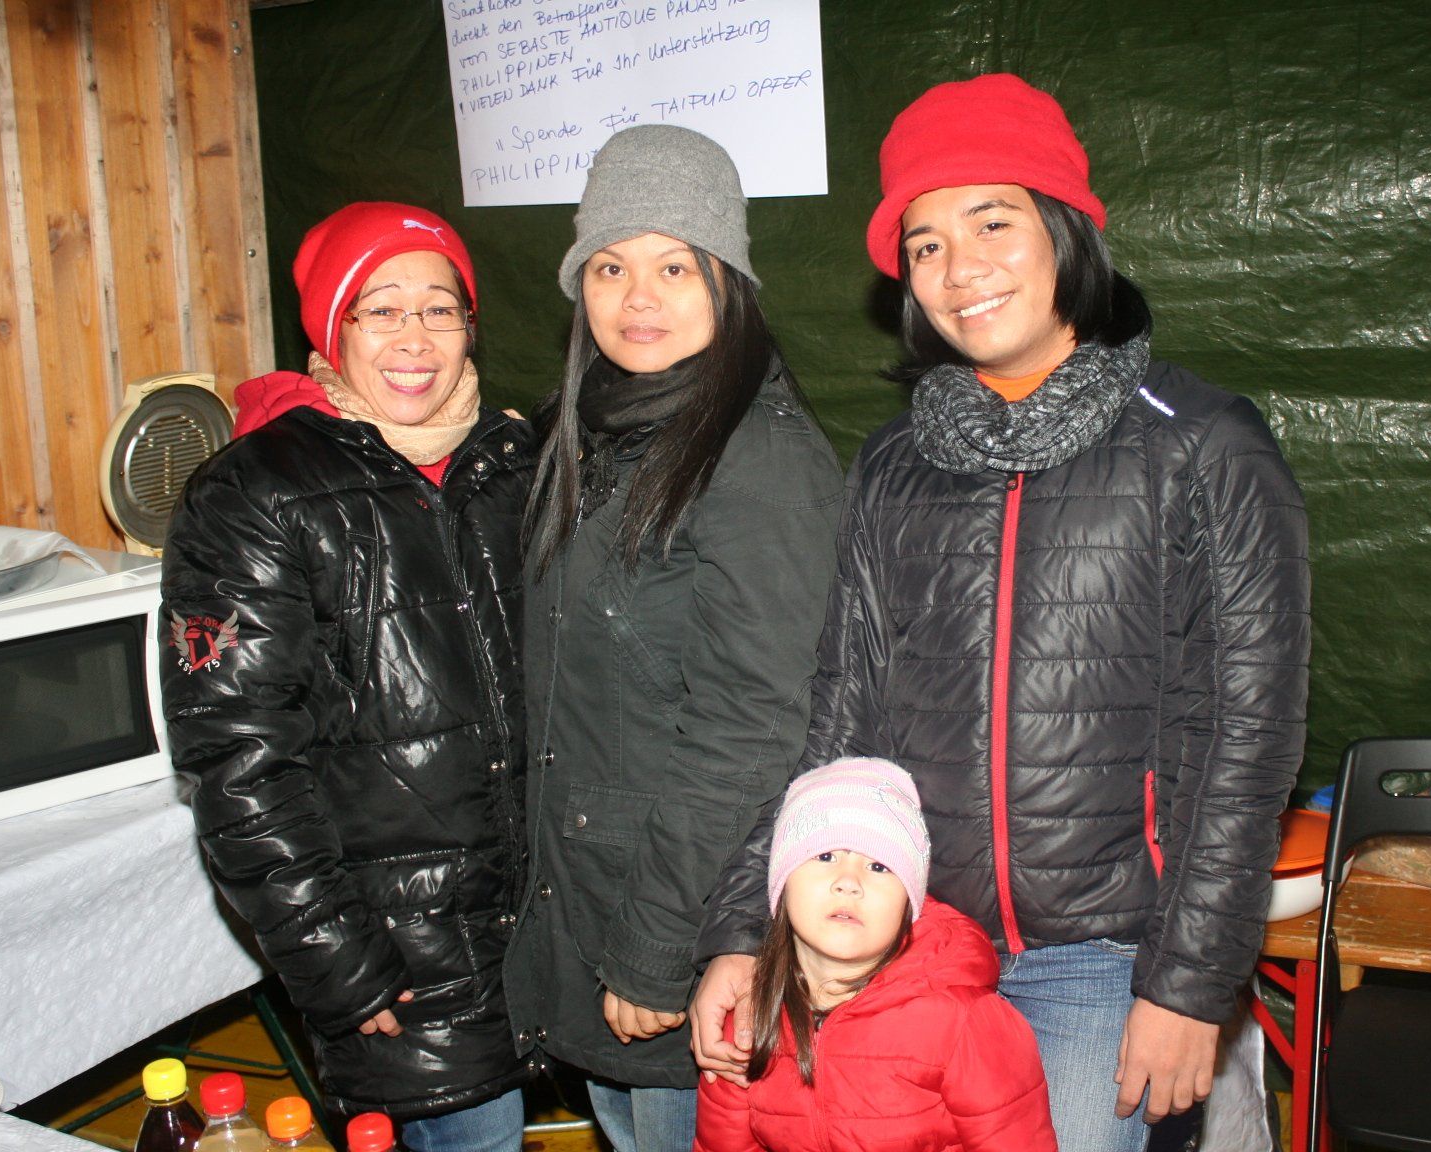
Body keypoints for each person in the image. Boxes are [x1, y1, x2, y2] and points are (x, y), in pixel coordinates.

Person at [691, 73, 1311, 1151]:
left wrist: (1189, 983)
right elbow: (843, 721)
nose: (959, 268)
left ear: (1066, 231)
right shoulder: (895, 463)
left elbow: (1249, 737)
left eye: (992, 223)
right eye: (925, 244)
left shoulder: (1203, 445)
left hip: (1109, 954)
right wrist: (749, 930)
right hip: (915, 939)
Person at [161, 203, 536, 1150]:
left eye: (440, 308)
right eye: (381, 309)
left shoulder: (513, 463)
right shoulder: (253, 493)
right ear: (333, 329)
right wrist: (335, 959)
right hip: (402, 963)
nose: (415, 338)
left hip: (550, 930)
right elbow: (237, 761)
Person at [505, 125, 844, 1152]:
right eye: (610, 266)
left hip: (682, 931)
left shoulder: (759, 459)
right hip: (595, 907)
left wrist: (657, 946)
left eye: (674, 266)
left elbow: (753, 728)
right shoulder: (595, 434)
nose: (637, 297)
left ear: (727, 283)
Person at [694, 758, 1058, 1152]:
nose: (849, 882)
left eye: (879, 866)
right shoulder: (748, 1016)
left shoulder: (965, 1023)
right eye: (825, 856)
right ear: (781, 883)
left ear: (908, 904)